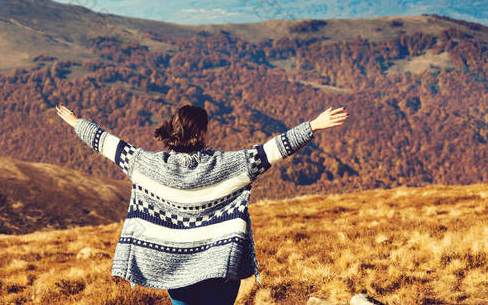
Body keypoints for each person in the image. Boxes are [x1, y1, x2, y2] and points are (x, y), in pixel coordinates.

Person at [56, 103, 349, 305]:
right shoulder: (229, 165)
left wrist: (77, 123)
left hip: (172, 268)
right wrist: (313, 126)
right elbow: (273, 149)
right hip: (220, 267)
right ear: (201, 133)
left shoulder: (146, 164)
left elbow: (108, 144)